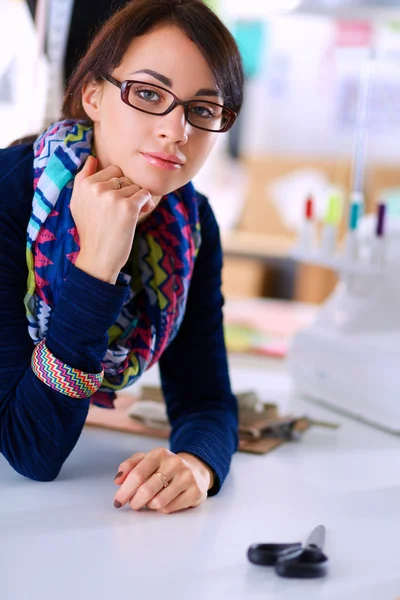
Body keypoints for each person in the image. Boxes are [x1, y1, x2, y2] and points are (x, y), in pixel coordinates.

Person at [0, 0, 244, 514]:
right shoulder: (9, 197)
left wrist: (197, 465)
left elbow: (206, 399)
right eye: (149, 94)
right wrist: (97, 265)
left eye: (202, 109)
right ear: (92, 94)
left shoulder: (191, 224)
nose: (177, 132)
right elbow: (30, 449)